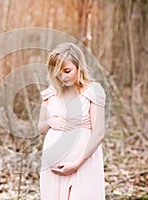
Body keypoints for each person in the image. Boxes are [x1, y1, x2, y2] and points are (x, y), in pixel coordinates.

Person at [38, 43, 106, 200]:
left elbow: (98, 132)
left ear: (79, 66)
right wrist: (49, 122)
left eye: (67, 71)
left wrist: (77, 163)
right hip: (52, 170)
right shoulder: (51, 93)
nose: (63, 77)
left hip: (84, 164)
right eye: (58, 73)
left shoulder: (93, 91)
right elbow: (40, 127)